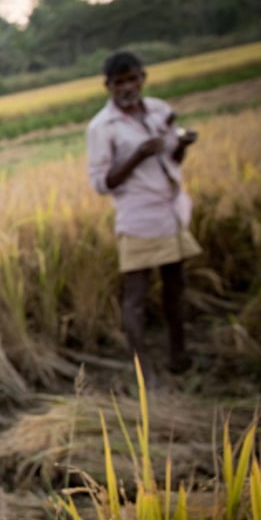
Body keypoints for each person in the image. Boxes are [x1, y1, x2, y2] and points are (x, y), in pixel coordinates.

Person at [86, 50, 200, 377]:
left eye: (132, 79)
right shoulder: (101, 127)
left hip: (172, 212)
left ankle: (179, 356)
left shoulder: (159, 111)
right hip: (138, 218)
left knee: (176, 284)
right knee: (135, 295)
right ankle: (144, 373)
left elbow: (171, 161)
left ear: (143, 78)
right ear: (107, 86)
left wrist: (182, 144)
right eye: (119, 82)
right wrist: (138, 154)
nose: (127, 87)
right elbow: (101, 183)